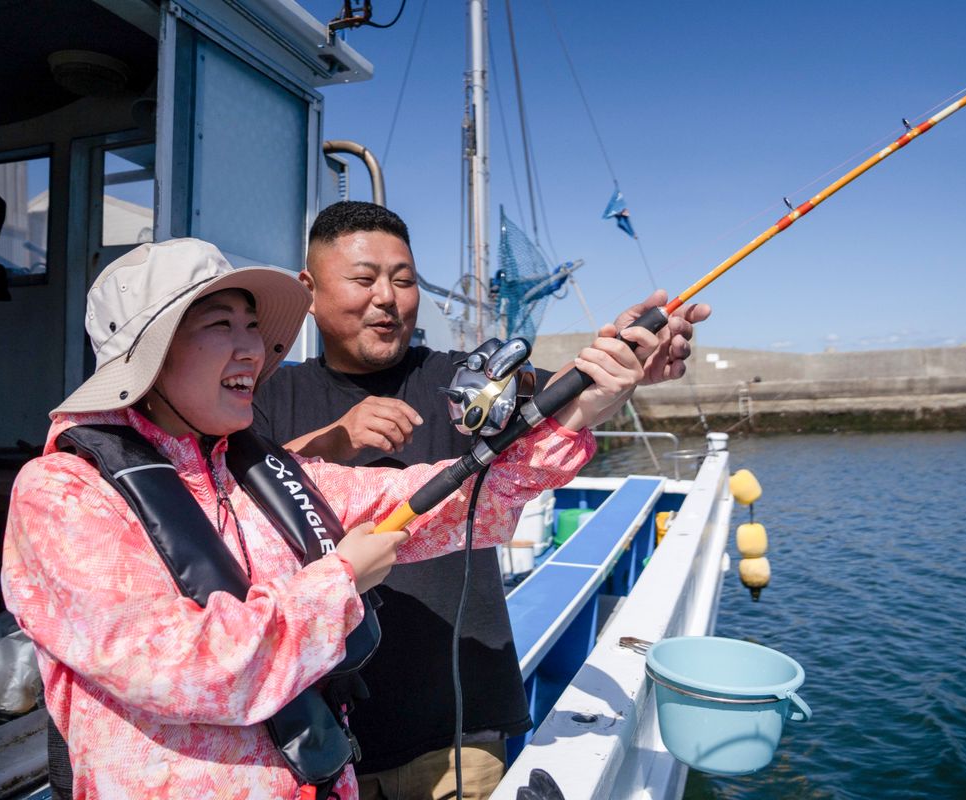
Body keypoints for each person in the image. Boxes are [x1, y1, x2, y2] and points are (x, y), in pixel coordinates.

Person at [1, 237, 664, 799]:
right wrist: (340, 580)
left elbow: (451, 499)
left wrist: (581, 408)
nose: (252, 350)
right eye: (217, 326)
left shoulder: (260, 472)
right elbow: (183, 665)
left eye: (252, 326)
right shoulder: (61, 493)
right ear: (148, 358)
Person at [253, 202, 710, 799]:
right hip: (315, 737)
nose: (388, 297)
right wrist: (333, 440)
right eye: (364, 279)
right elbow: (226, 499)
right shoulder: (268, 396)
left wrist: (622, 361)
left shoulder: (462, 378)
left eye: (405, 279)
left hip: (459, 733)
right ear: (309, 290)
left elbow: (559, 397)